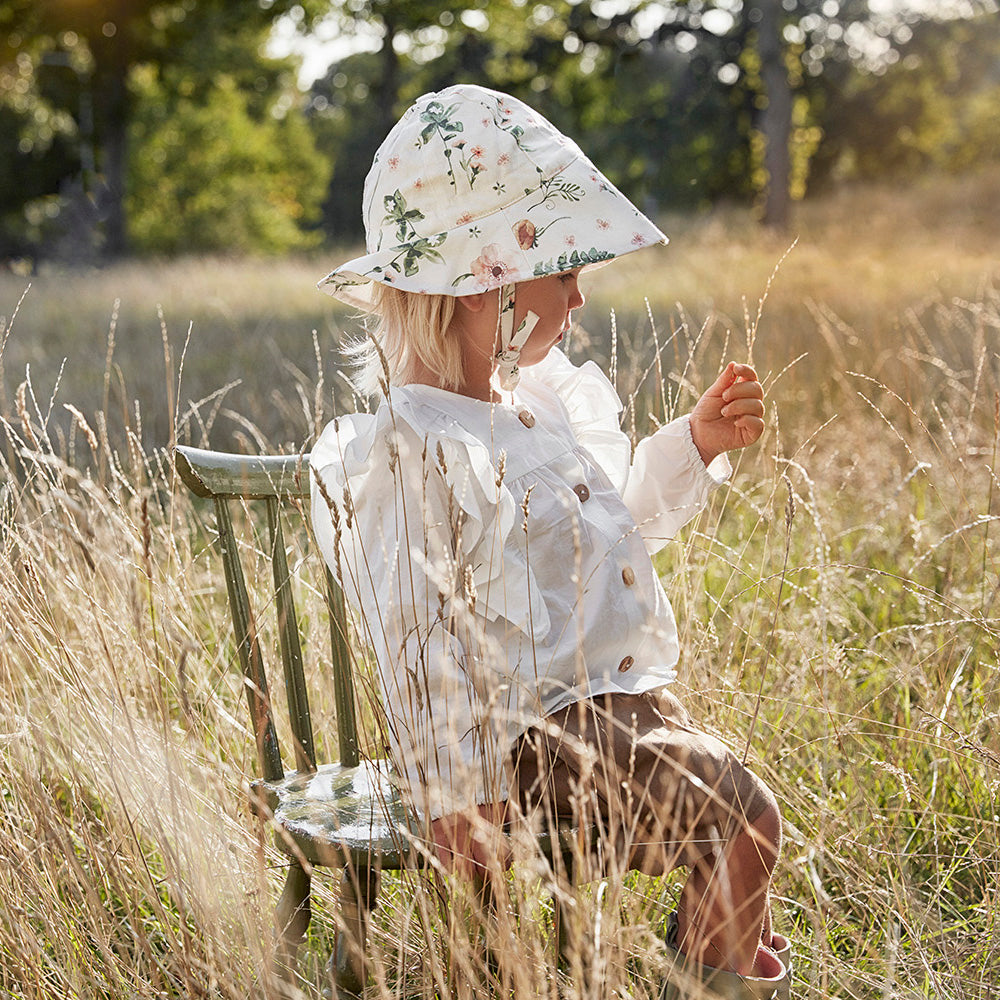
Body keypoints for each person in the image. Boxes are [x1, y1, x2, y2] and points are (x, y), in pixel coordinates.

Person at [310, 84, 790, 999]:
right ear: (485, 283)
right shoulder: (414, 449)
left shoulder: (535, 408)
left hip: (611, 714)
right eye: (564, 270)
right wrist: (460, 791)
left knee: (737, 847)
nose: (576, 295)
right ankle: (707, 974)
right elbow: (415, 635)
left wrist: (691, 446)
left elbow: (615, 533)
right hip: (520, 747)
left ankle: (709, 963)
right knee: (743, 820)